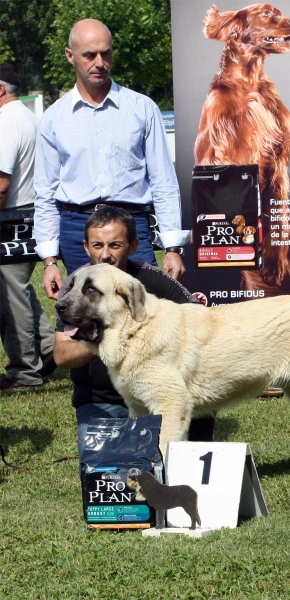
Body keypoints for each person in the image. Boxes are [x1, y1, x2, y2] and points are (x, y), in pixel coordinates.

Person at [34, 18, 189, 301]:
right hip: (76, 227)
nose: (99, 62)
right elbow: (45, 194)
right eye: (89, 55)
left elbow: (163, 180)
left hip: (131, 224)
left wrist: (173, 247)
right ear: (70, 56)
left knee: (141, 313)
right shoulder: (53, 119)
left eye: (105, 53)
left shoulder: (142, 108)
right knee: (85, 317)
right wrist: (49, 260)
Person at [54, 206, 215, 457]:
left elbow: (204, 326)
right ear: (86, 247)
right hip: (102, 401)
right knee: (109, 475)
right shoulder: (74, 286)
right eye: (97, 246)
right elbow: (61, 355)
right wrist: (100, 341)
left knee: (187, 447)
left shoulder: (151, 281)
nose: (105, 255)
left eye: (115, 245)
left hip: (161, 392)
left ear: (133, 245)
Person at [0, 63, 55, 390]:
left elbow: (1, 183)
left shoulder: (6, 122)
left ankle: (24, 372)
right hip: (33, 214)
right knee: (19, 291)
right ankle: (48, 350)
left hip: (11, 217)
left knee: (9, 296)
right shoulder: (30, 118)